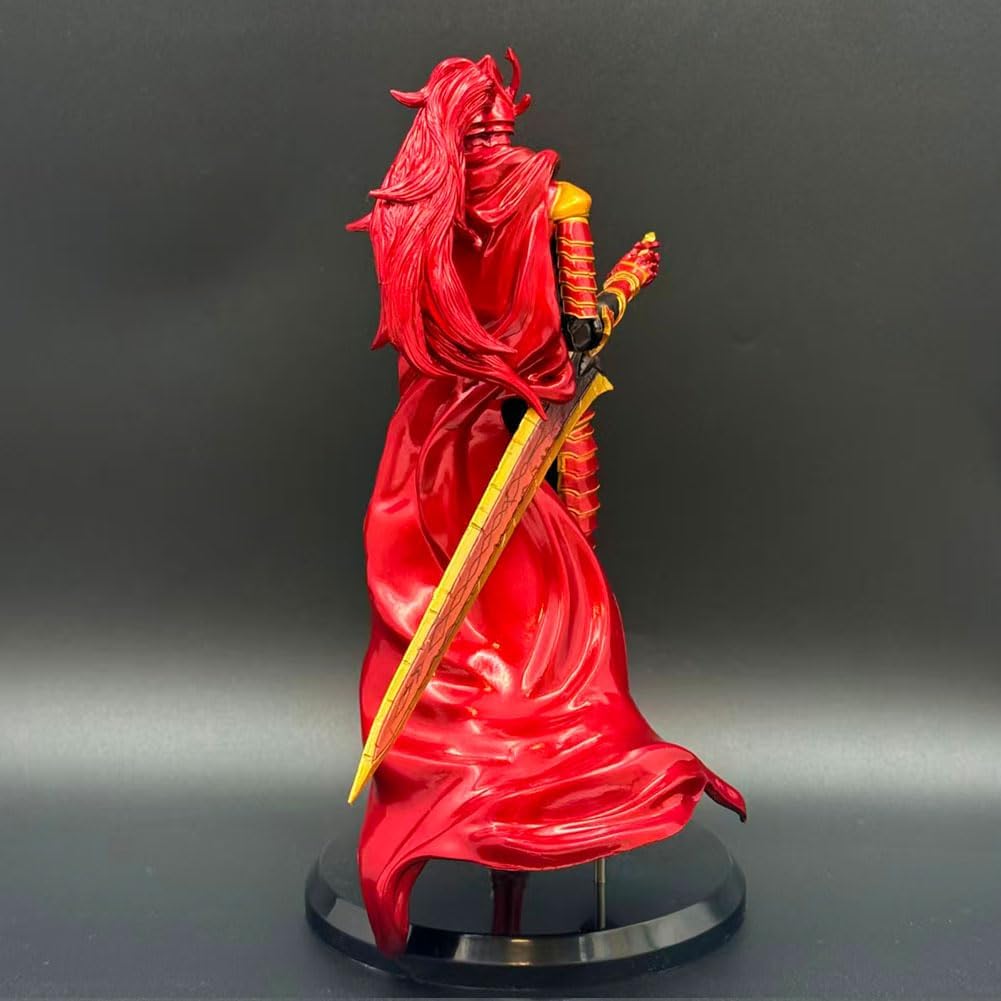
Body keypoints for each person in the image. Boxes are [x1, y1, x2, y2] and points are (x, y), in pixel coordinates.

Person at [347, 50, 746, 956]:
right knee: (539, 628)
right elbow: (577, 330)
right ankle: (508, 798)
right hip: (468, 450)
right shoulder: (539, 203)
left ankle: (517, 800)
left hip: (447, 448)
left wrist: (595, 318)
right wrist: (610, 301)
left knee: (530, 631)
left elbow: (572, 336)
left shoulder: (424, 211)